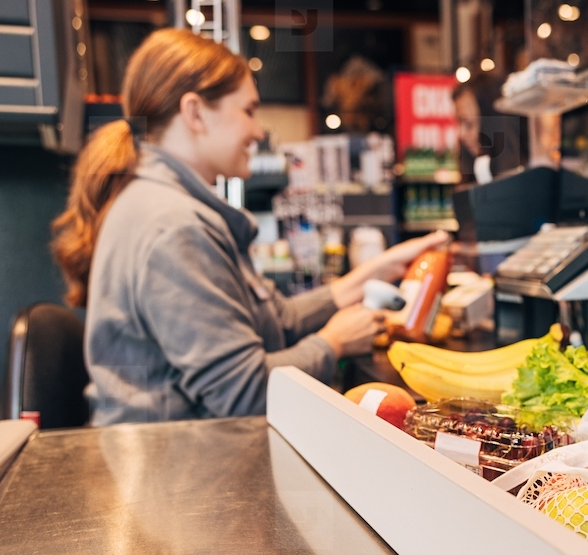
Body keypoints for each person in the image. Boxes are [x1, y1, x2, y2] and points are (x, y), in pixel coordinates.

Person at [52, 29, 448, 425]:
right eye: (248, 111)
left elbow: (276, 320)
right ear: (194, 113)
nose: (259, 132)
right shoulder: (174, 226)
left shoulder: (166, 205)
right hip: (173, 465)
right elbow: (242, 392)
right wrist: (333, 343)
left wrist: (371, 274)